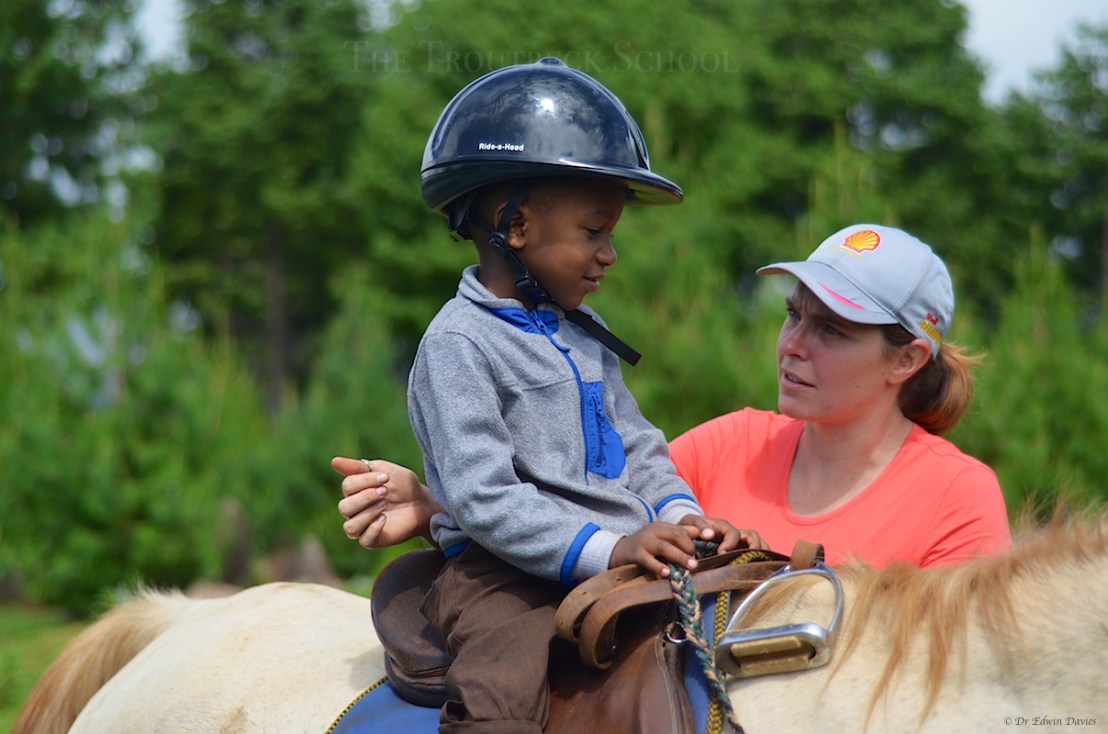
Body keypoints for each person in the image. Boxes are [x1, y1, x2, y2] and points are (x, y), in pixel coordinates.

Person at [391, 58, 761, 734]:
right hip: (502, 575)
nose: (610, 254)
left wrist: (682, 518)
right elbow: (484, 500)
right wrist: (610, 549)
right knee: (501, 692)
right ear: (519, 226)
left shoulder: (586, 336)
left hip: (619, 548)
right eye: (595, 232)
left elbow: (639, 447)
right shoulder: (458, 344)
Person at [336, 224, 1011, 569]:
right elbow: (570, 520)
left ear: (908, 359)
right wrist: (433, 509)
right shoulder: (730, 444)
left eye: (831, 329)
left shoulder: (961, 500)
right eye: (793, 314)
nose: (793, 344)